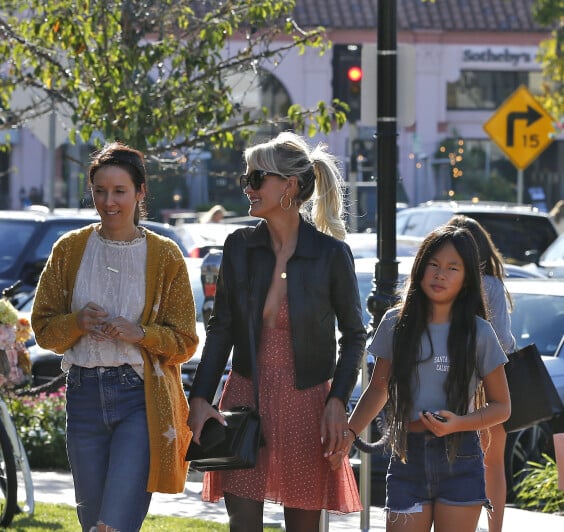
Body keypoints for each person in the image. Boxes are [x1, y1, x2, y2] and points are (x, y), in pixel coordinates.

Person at [187, 131, 366, 532]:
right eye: (245, 179)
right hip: (244, 399)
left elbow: (355, 334)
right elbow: (221, 329)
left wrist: (338, 400)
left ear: (288, 185)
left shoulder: (330, 254)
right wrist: (200, 397)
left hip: (307, 408)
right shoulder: (239, 247)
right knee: (243, 525)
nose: (247, 188)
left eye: (256, 178)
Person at [31, 143, 199, 532]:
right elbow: (43, 330)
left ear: (140, 192)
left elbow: (185, 341)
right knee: (93, 524)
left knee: (114, 524)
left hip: (138, 399)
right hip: (83, 395)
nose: (108, 201)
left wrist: (140, 333)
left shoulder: (165, 255)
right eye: (100, 190)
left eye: (119, 191)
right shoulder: (69, 249)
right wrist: (77, 322)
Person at [332, 224, 511, 532]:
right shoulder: (394, 323)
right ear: (419, 267)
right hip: (407, 457)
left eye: (453, 268)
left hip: (462, 457)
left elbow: (502, 407)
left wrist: (458, 423)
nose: (440, 274)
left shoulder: (479, 332)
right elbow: (378, 388)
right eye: (434, 264)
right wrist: (348, 435)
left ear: (467, 278)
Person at [447, 214, 516, 532]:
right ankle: (493, 528)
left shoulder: (459, 283)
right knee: (492, 463)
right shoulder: (493, 284)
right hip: (491, 381)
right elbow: (502, 339)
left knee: (460, 460)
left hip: (456, 379)